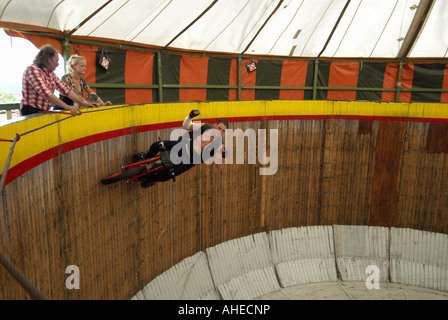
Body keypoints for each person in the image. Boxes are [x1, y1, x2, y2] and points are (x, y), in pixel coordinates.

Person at [135, 109, 228, 188]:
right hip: (182, 146)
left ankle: (150, 179)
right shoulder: (205, 127)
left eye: (223, 131)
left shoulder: (219, 145)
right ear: (215, 125)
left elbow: (219, 167)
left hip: (189, 161)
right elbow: (186, 125)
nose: (219, 132)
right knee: (157, 144)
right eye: (219, 128)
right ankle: (145, 157)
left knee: (166, 177)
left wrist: (222, 156)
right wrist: (190, 116)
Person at [20, 44, 97, 116]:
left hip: (42, 110)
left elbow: (66, 90)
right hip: (30, 110)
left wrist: (84, 103)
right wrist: (68, 107)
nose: (58, 64)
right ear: (49, 60)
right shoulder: (32, 70)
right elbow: (47, 94)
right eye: (57, 60)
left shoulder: (50, 74)